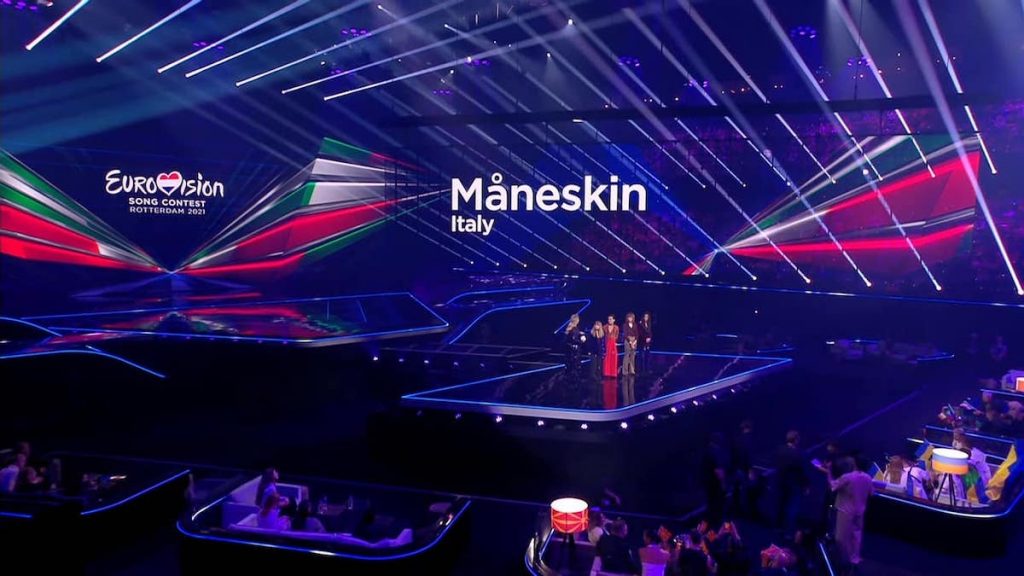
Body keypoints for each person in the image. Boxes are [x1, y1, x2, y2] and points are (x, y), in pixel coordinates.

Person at [820, 456, 872, 572]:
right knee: (856, 535)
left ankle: (843, 562)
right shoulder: (868, 477)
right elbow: (871, 492)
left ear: (855, 464)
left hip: (845, 511)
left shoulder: (848, 477)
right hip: (860, 511)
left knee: (841, 538)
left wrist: (829, 472)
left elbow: (833, 486)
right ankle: (854, 559)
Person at [774, 430, 808, 535]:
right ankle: (787, 531)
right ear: (796, 440)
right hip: (793, 484)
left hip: (781, 481)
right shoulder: (798, 454)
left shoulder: (780, 449)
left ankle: (778, 526)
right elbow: (801, 471)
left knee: (781, 504)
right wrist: (805, 485)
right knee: (792, 508)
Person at [700, 432, 730, 526]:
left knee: (711, 502)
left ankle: (711, 522)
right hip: (715, 482)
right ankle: (716, 523)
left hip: (708, 481)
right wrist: (723, 484)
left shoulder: (707, 451)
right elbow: (718, 469)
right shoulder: (715, 451)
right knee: (717, 503)